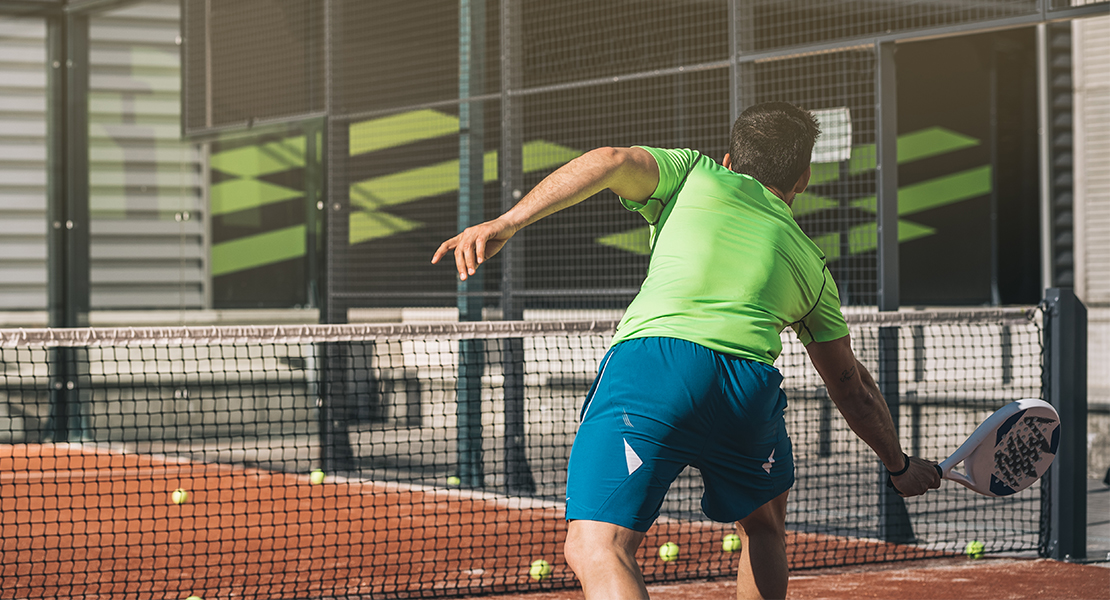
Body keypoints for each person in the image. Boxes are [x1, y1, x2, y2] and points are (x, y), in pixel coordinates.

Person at [431, 101, 941, 600]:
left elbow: (610, 161)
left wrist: (508, 222)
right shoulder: (812, 265)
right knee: (764, 529)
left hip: (657, 367)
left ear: (728, 160)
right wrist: (898, 465)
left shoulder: (694, 172)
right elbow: (851, 386)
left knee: (599, 548)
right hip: (747, 389)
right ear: (802, 180)